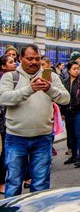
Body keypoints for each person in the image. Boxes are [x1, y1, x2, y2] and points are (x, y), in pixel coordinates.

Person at [0, 44, 69, 197]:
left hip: (42, 138)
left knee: (41, 183)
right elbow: (3, 98)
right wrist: (30, 89)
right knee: (13, 182)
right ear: (20, 59)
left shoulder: (51, 76)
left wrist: (49, 89)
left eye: (37, 59)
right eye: (30, 59)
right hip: (15, 138)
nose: (34, 62)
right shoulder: (10, 77)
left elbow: (65, 98)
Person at [0, 54, 17, 195]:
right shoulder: (3, 79)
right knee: (5, 153)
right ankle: (1, 182)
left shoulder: (16, 78)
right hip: (4, 121)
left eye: (15, 60)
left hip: (10, 120)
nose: (15, 63)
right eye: (11, 62)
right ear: (3, 66)